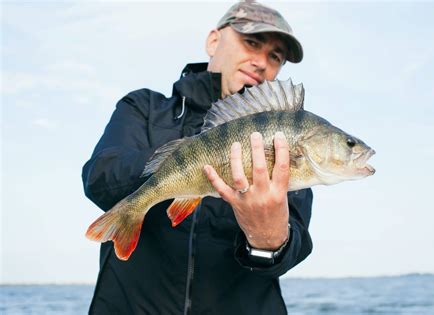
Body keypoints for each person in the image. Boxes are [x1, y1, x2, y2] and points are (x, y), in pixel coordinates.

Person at [82, 1, 313, 314]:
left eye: (275, 56)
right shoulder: (144, 107)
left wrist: (269, 240)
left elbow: (291, 247)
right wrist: (186, 165)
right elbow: (100, 177)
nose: (261, 61)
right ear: (213, 41)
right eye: (252, 42)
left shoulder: (281, 140)